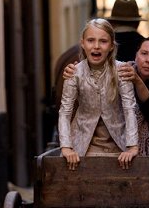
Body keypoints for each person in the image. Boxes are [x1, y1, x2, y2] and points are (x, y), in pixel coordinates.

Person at [64, 35, 149, 156]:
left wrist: (137, 80)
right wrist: (77, 72)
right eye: (144, 53)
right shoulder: (119, 71)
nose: (148, 60)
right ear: (136, 55)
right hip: (116, 146)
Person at [58, 18, 139, 171]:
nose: (96, 46)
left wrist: (132, 146)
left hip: (118, 144)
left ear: (111, 46)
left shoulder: (121, 70)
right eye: (90, 40)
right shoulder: (74, 72)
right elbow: (65, 111)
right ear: (82, 43)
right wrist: (66, 147)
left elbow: (130, 109)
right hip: (82, 145)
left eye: (103, 41)